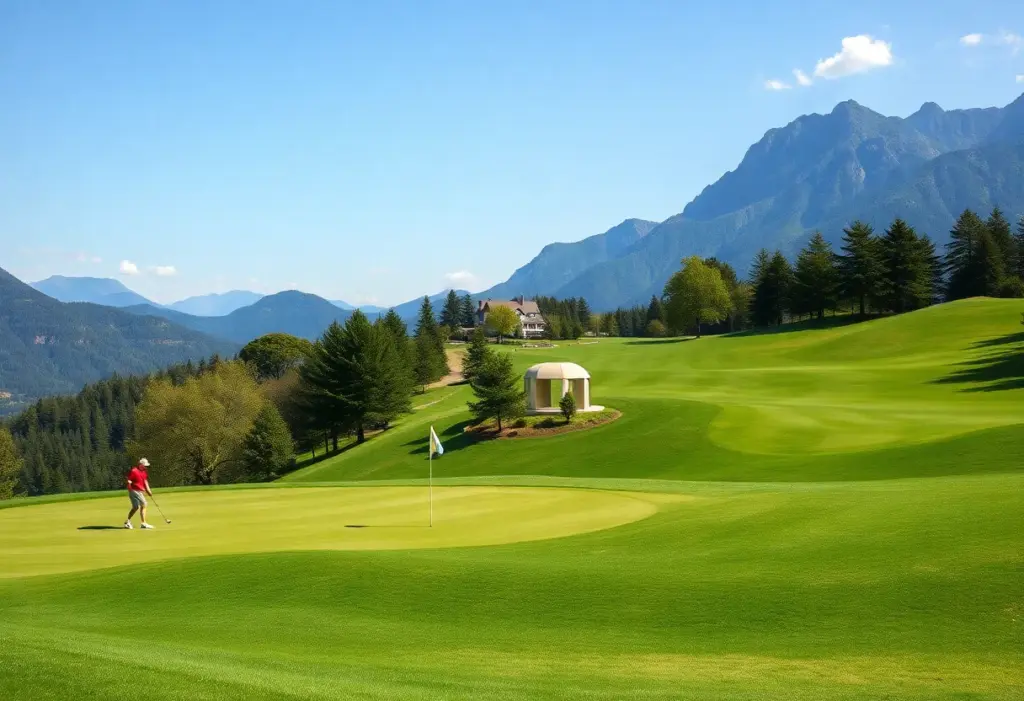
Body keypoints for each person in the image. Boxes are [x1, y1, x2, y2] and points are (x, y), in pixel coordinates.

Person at [124, 458, 155, 530]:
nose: (146, 467)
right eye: (145, 466)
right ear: (141, 465)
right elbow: (129, 481)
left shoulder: (144, 472)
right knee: (144, 504)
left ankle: (127, 522)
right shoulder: (134, 471)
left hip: (137, 491)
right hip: (134, 490)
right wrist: (130, 489)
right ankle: (143, 523)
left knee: (136, 507)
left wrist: (148, 491)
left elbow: (145, 481)